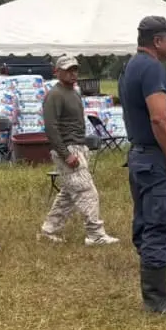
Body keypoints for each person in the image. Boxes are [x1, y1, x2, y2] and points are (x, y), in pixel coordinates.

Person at [119, 16, 166, 315]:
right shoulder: (151, 68)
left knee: (148, 222)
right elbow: (159, 117)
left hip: (141, 156)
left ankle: (158, 289)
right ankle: (155, 298)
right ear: (158, 41)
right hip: (155, 158)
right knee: (160, 223)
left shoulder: (132, 65)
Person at [39, 54, 118, 246]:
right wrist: (66, 154)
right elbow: (51, 128)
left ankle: (48, 231)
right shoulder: (55, 95)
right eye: (68, 70)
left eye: (75, 69)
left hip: (79, 147)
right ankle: (95, 234)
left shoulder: (74, 92)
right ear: (57, 72)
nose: (72, 74)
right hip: (68, 149)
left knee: (68, 194)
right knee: (87, 192)